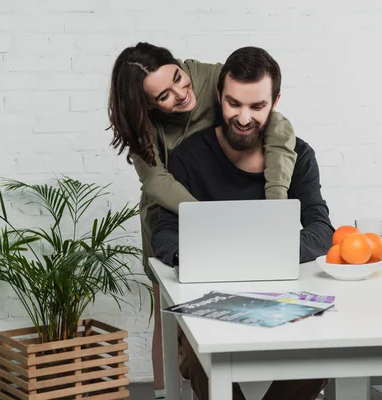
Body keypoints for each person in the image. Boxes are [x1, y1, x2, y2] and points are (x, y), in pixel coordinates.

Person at [107, 42, 299, 398]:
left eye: (179, 78)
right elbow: (156, 181)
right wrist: (209, 221)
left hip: (225, 201)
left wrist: (276, 210)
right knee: (168, 310)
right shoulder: (141, 125)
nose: (181, 93)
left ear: (180, 64)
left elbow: (277, 126)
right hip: (171, 211)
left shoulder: (212, 77)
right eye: (164, 95)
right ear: (146, 106)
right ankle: (167, 393)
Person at [151, 46, 333, 400]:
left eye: (257, 106)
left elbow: (321, 230)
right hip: (206, 304)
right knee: (204, 357)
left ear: (275, 102)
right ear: (219, 96)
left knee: (322, 353)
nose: (244, 117)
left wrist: (265, 255)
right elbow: (164, 234)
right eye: (234, 104)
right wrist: (201, 260)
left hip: (281, 299)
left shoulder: (299, 155)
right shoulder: (189, 157)